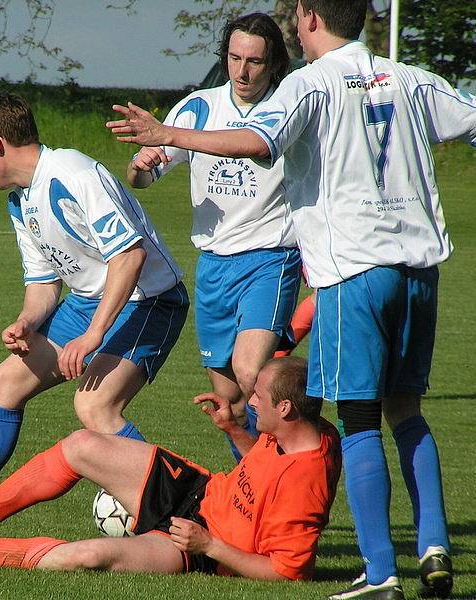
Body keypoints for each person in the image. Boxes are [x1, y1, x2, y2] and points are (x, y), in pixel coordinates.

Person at [105, 1, 476, 597]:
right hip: (419, 271)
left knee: (356, 421)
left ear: (306, 17)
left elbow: (258, 140)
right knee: (405, 411)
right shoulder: (409, 78)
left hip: (353, 271)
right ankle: (433, 548)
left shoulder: (310, 83)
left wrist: (165, 134)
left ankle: (380, 574)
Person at [0, 92, 189, 504]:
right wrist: (26, 321)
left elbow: (130, 256)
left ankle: (182, 507)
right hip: (89, 301)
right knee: (5, 382)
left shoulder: (72, 174)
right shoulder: (21, 199)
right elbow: (44, 282)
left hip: (148, 299)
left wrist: (92, 337)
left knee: (95, 406)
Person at [0, 357, 341, 582]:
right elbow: (260, 474)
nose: (252, 399)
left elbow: (289, 573)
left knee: (86, 556)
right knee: (82, 444)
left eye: (259, 395)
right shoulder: (298, 429)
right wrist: (235, 430)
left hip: (199, 547)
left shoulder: (308, 482)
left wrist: (210, 544)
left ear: (285, 408)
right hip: (196, 493)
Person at [127, 13, 301, 461]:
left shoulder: (289, 107)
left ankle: (302, 469)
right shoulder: (198, 107)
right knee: (231, 402)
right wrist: (141, 166)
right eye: (234, 58)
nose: (242, 72)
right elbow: (144, 177)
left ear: (273, 63)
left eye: (255, 62)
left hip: (270, 258)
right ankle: (256, 488)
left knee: (250, 373)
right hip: (214, 267)